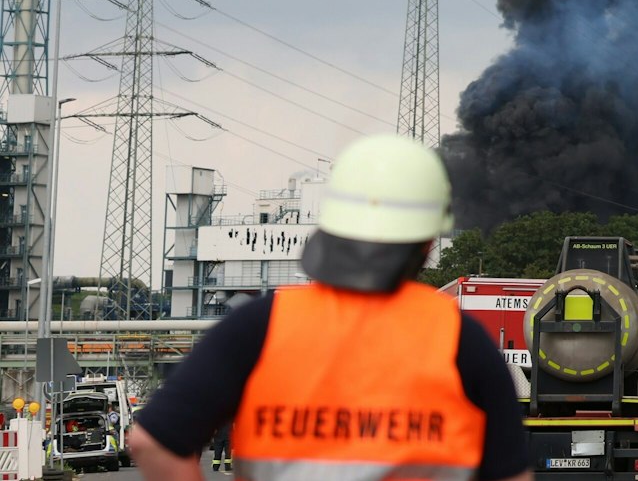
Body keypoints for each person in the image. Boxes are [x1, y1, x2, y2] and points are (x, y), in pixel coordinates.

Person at [127, 133, 531, 481]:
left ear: (331, 227)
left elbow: (150, 441)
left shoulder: (259, 327)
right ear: (428, 243)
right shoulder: (461, 341)